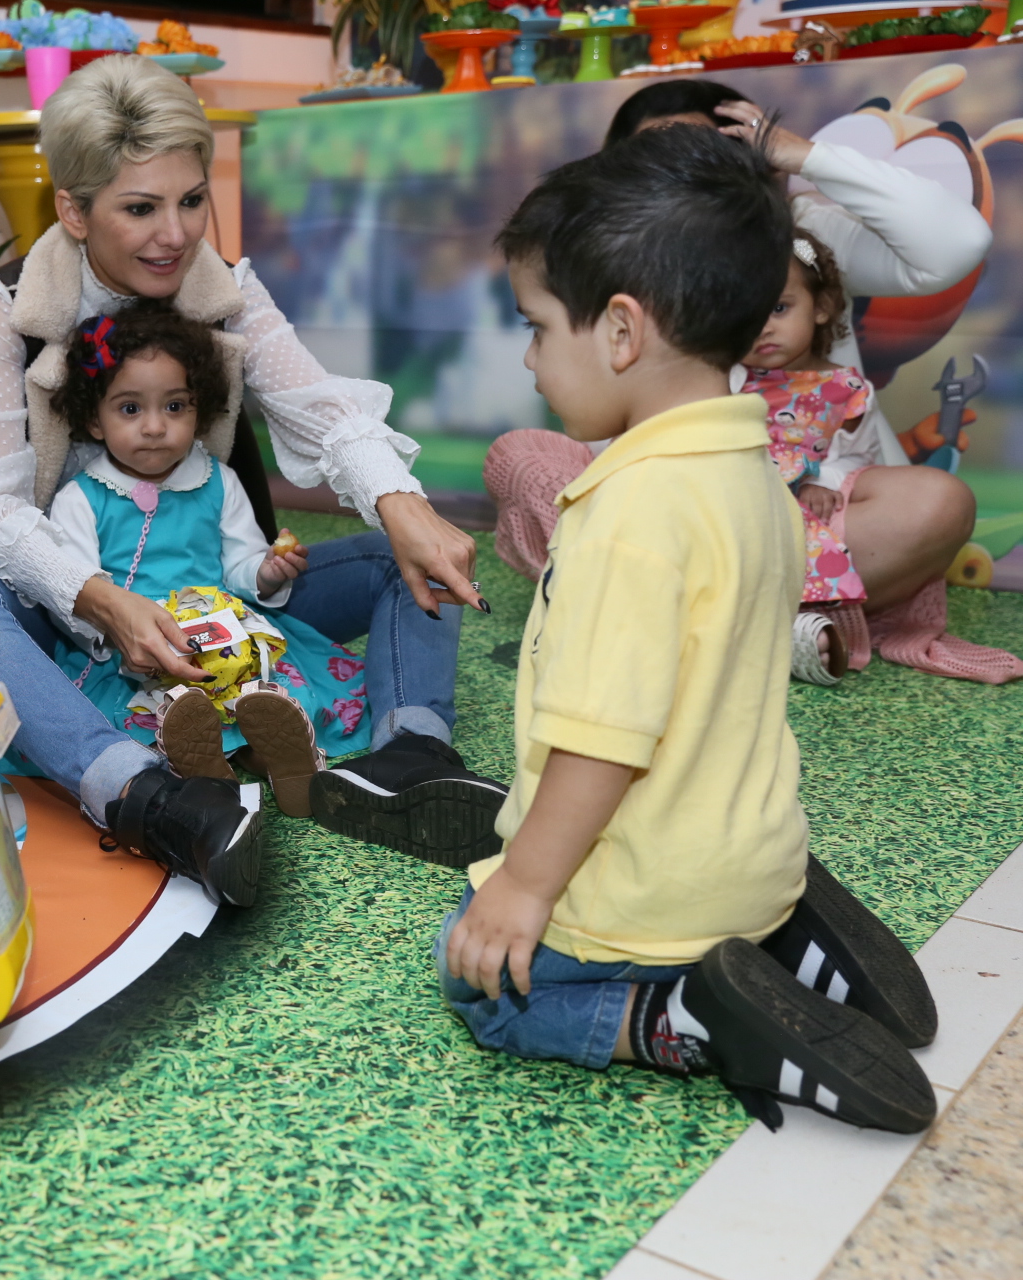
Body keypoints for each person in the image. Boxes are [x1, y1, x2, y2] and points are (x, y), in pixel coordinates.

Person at [437, 124, 937, 1134]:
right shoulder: (755, 476)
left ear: (621, 332)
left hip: (643, 888)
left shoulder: (630, 513)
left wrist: (524, 888)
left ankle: (690, 1012)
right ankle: (783, 927)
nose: (530, 356)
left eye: (536, 325)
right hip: (753, 847)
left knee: (480, 984)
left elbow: (601, 737)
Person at [0, 56, 506, 901]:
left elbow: (319, 405)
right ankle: (140, 792)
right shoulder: (7, 305)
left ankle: (407, 759)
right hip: (69, 603)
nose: (175, 234)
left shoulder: (228, 291)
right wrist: (92, 595)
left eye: (192, 200)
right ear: (74, 212)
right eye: (140, 208)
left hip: (222, 587)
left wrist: (400, 501)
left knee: (400, 554)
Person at [488, 79, 1019, 684]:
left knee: (939, 501)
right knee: (524, 460)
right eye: (657, 164)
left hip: (799, 516)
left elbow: (959, 241)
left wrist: (803, 156)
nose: (683, 179)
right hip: (670, 517)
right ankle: (759, 623)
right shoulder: (611, 265)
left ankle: (725, 622)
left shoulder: (791, 241)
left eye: (702, 156)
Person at [43, 300, 365, 824]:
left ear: (199, 410)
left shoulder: (218, 481)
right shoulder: (81, 498)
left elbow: (240, 561)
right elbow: (80, 595)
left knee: (266, 683)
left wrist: (265, 571)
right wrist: (119, 635)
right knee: (152, 707)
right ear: (93, 421)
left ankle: (277, 758)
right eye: (130, 408)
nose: (154, 427)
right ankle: (206, 760)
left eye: (175, 407)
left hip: (221, 631)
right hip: (140, 646)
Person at [739, 231, 872, 683]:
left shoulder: (845, 390)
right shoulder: (728, 378)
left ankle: (791, 628)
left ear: (821, 306)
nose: (762, 326)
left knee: (797, 545)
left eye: (779, 308)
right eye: (744, 312)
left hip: (795, 505)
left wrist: (825, 480)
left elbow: (859, 457)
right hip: (733, 490)